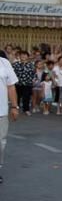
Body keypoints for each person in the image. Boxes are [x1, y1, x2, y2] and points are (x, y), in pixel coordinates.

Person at [0, 52, 18, 184]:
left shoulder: (4, 63)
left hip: (1, 112)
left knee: (1, 143)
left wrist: (14, 106)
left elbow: (11, 86)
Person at [12, 50, 34, 115]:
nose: (23, 56)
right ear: (20, 56)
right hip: (18, 83)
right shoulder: (16, 64)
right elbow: (12, 73)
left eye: (25, 55)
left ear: (27, 56)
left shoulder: (31, 64)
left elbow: (33, 74)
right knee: (17, 97)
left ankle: (26, 110)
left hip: (27, 84)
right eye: (22, 55)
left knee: (26, 97)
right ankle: (16, 109)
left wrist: (33, 80)